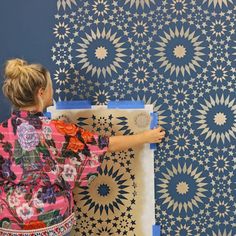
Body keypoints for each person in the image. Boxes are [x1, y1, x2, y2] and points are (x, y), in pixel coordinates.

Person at [0, 59, 165, 236]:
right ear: (41, 92)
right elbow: (105, 144)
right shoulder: (57, 130)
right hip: (51, 222)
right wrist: (145, 137)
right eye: (50, 87)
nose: (52, 91)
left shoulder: (2, 131)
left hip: (10, 223)